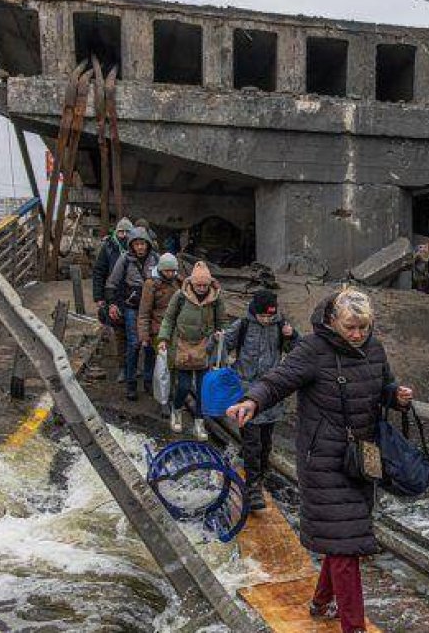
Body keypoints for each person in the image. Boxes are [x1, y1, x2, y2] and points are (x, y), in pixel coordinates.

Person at [226, 288, 415, 633]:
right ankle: (353, 627)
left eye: (363, 327)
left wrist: (396, 397)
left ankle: (320, 602)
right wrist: (251, 402)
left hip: (362, 458)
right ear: (332, 321)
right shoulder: (313, 349)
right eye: (350, 328)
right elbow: (277, 381)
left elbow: (382, 387)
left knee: (343, 538)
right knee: (346, 546)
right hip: (323, 461)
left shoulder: (373, 348)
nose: (358, 335)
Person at [222, 290, 299, 511]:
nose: (266, 320)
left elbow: (299, 351)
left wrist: (291, 336)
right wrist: (217, 344)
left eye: (269, 316)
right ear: (255, 312)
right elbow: (224, 345)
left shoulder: (281, 325)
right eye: (262, 316)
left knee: (266, 441)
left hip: (271, 394)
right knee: (252, 441)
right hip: (246, 392)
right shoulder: (243, 325)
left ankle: (263, 475)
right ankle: (252, 486)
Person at [158, 261, 226, 438]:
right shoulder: (180, 297)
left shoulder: (216, 299)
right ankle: (177, 410)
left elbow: (221, 322)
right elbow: (168, 319)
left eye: (205, 284)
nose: (202, 288)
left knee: (204, 389)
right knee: (184, 386)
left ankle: (199, 423)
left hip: (205, 347)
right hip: (183, 347)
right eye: (199, 285)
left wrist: (219, 334)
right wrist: (164, 339)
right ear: (192, 283)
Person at [105, 227, 159, 401]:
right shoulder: (125, 260)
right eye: (137, 244)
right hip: (132, 307)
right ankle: (131, 384)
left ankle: (149, 381)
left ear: (148, 244)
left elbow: (168, 279)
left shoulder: (156, 259)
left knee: (151, 345)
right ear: (132, 245)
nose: (140, 247)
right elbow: (112, 282)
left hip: (152, 308)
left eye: (143, 243)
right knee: (133, 344)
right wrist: (112, 303)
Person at [137, 252, 183, 413]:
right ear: (161, 269)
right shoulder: (151, 285)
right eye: (167, 271)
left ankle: (173, 396)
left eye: (173, 271)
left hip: (178, 331)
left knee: (177, 365)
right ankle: (163, 401)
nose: (170, 274)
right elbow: (144, 311)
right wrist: (144, 335)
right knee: (164, 367)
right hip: (158, 330)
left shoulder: (179, 282)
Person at [92, 217, 133, 378]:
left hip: (132, 295)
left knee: (133, 334)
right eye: (120, 231)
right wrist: (99, 297)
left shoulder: (137, 248)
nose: (123, 235)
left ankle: (132, 366)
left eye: (127, 232)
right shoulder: (108, 247)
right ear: (116, 232)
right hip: (114, 295)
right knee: (119, 332)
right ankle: (123, 367)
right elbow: (99, 272)